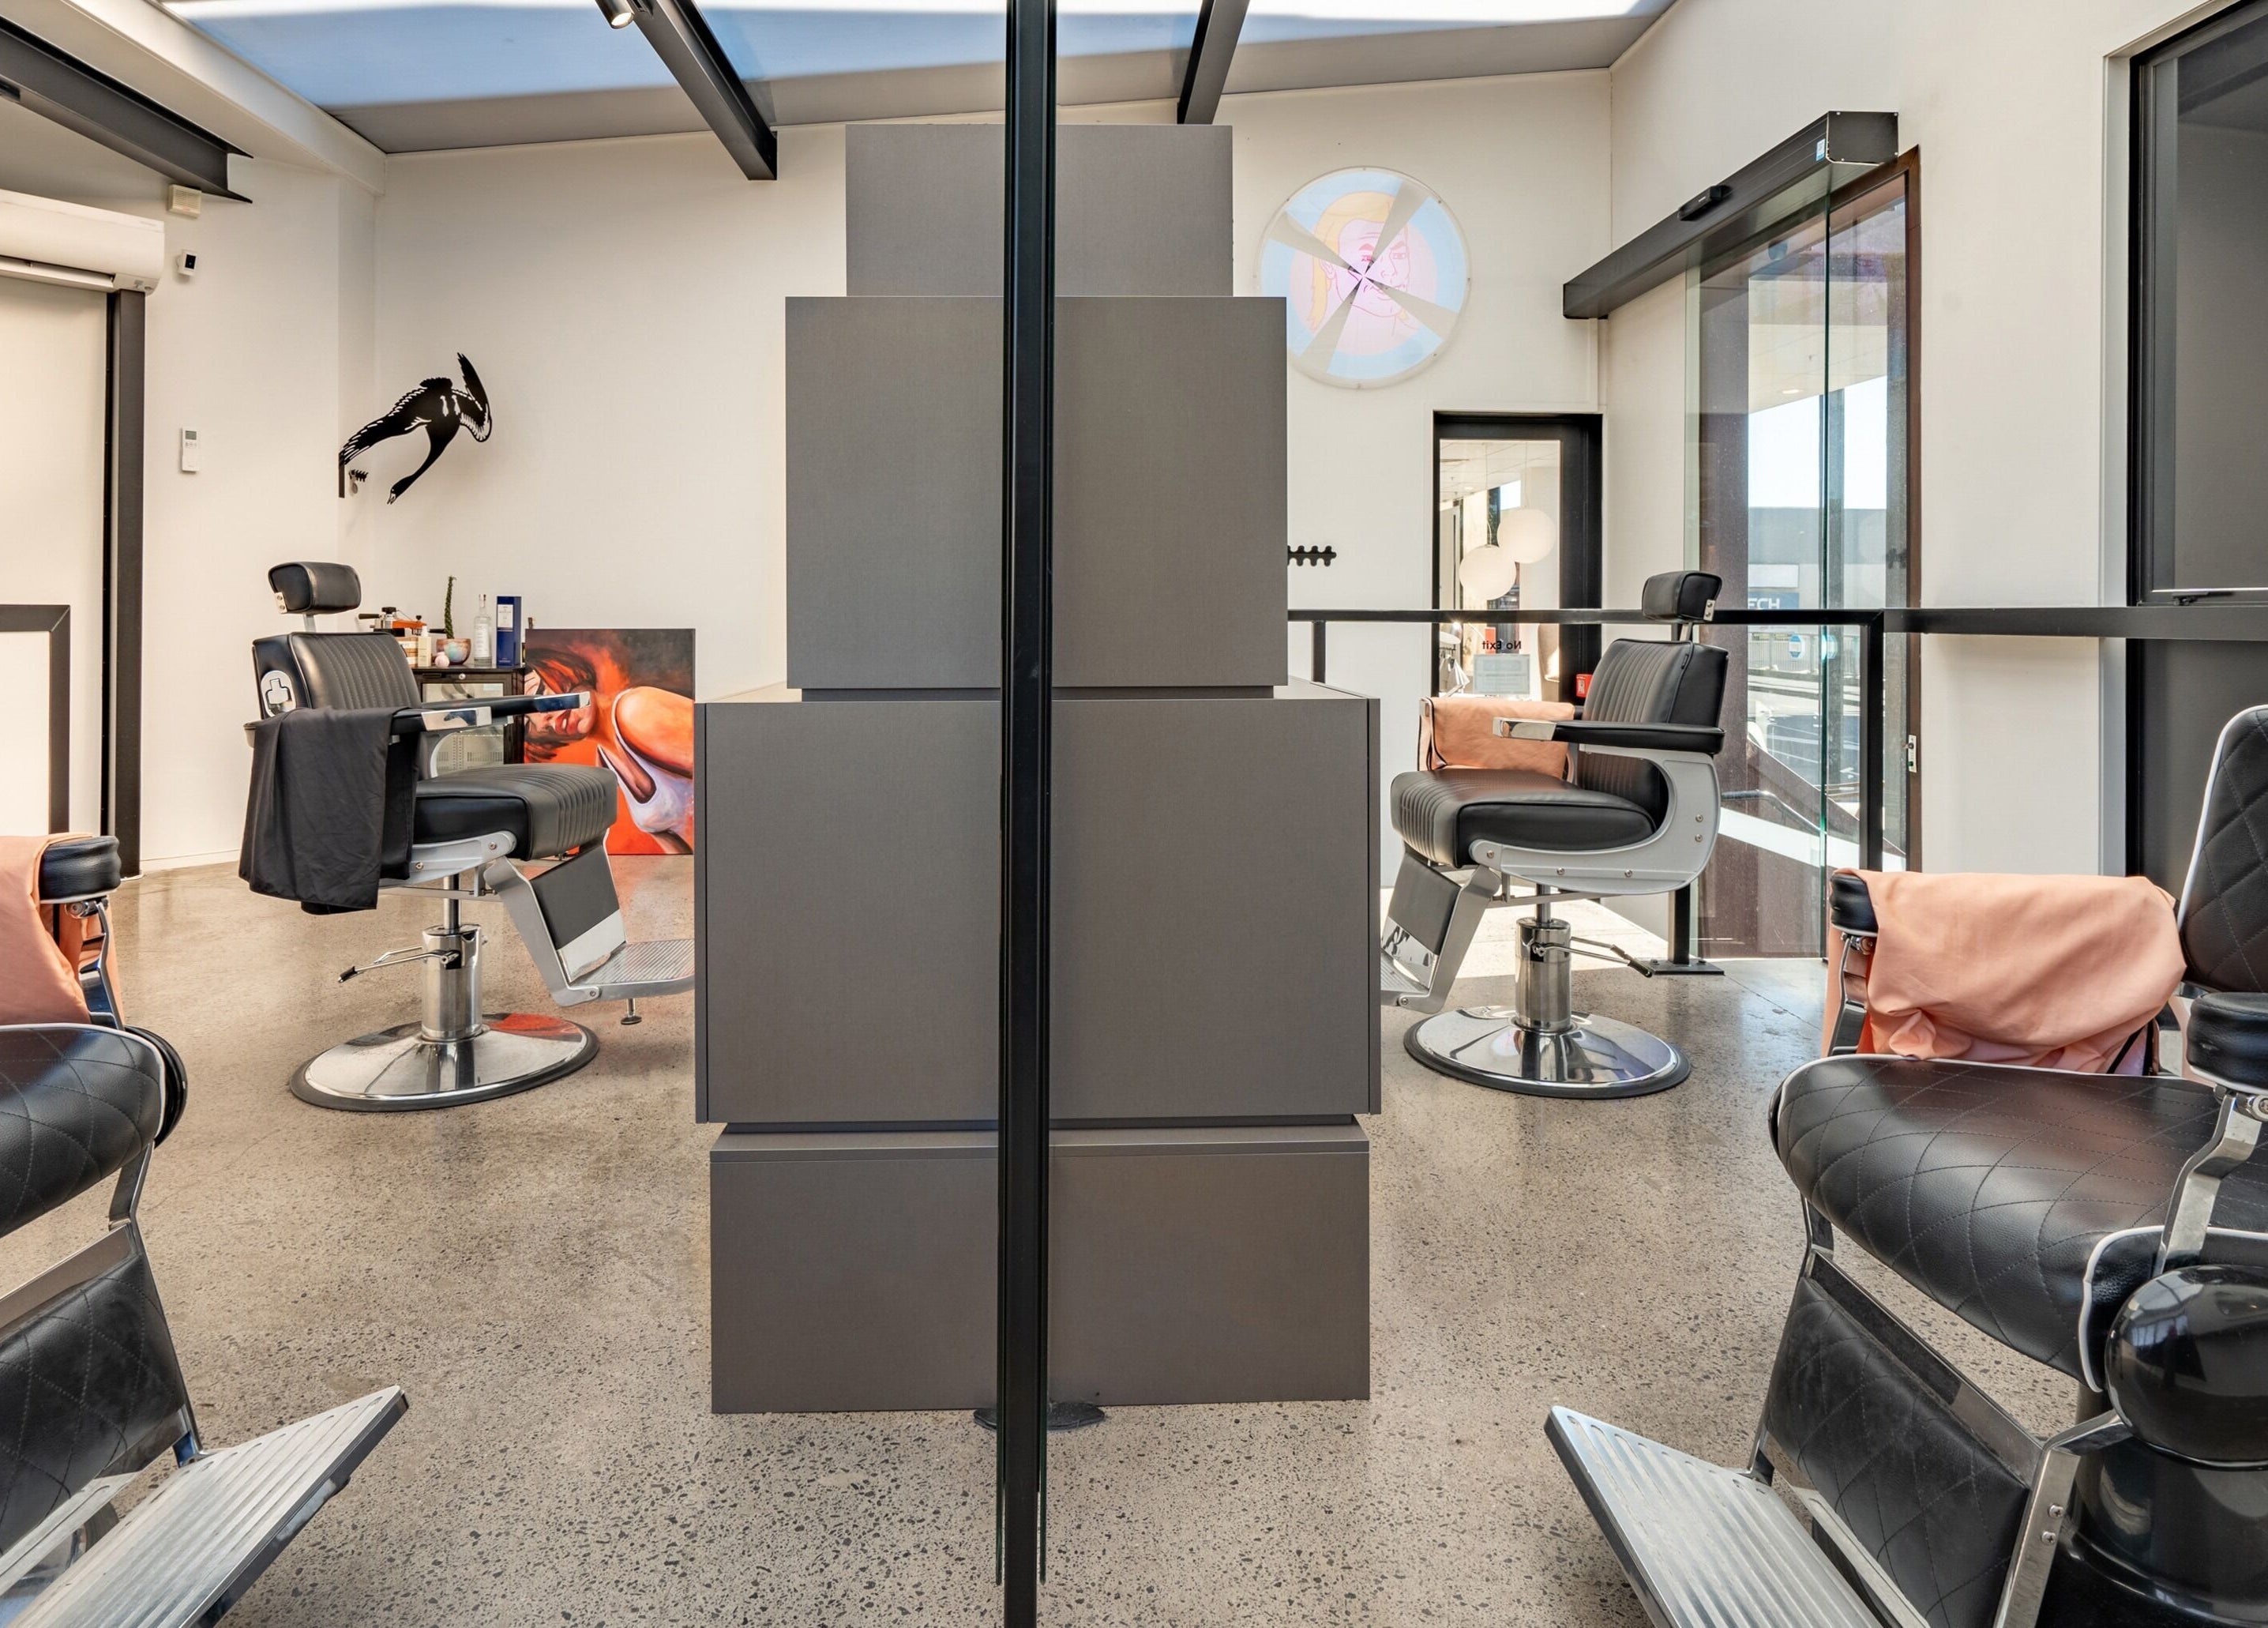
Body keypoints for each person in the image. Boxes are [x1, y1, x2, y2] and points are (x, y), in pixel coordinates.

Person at [521, 639, 695, 853]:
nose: (542, 720)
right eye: (528, 723)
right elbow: (674, 849)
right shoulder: (605, 762)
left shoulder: (636, 711)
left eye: (540, 692)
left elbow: (721, 775)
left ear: (565, 671)